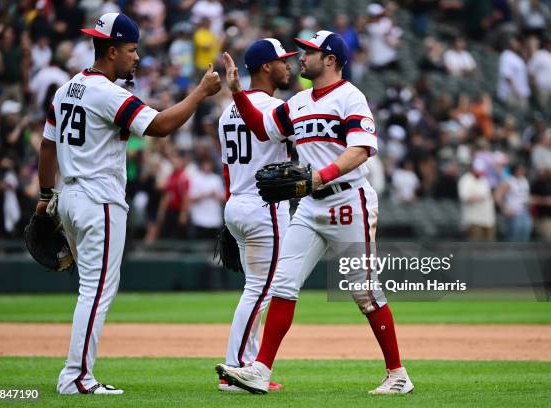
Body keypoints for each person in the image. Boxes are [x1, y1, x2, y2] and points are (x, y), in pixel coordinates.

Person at [216, 30, 413, 395]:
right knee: (282, 284)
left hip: (349, 201)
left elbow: (361, 150)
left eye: (309, 51)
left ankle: (398, 374)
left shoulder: (351, 96)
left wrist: (320, 176)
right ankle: (259, 369)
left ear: (331, 60)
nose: (301, 57)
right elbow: (263, 129)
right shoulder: (299, 100)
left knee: (364, 292)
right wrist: (238, 93)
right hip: (310, 205)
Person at [36, 13, 220, 395]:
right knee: (97, 291)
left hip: (69, 196)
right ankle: (75, 377)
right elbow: (161, 127)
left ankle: (77, 373)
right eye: (132, 50)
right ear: (113, 50)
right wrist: (200, 92)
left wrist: (43, 197)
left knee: (92, 288)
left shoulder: (67, 88)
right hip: (98, 199)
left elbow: (47, 145)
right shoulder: (107, 92)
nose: (136, 57)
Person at [216, 38, 297, 392]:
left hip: (237, 202)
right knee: (262, 292)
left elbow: (226, 170)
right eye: (283, 61)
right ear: (266, 66)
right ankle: (235, 369)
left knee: (257, 289)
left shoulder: (227, 111)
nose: (288, 66)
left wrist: (231, 214)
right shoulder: (275, 108)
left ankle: (245, 364)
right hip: (264, 208)